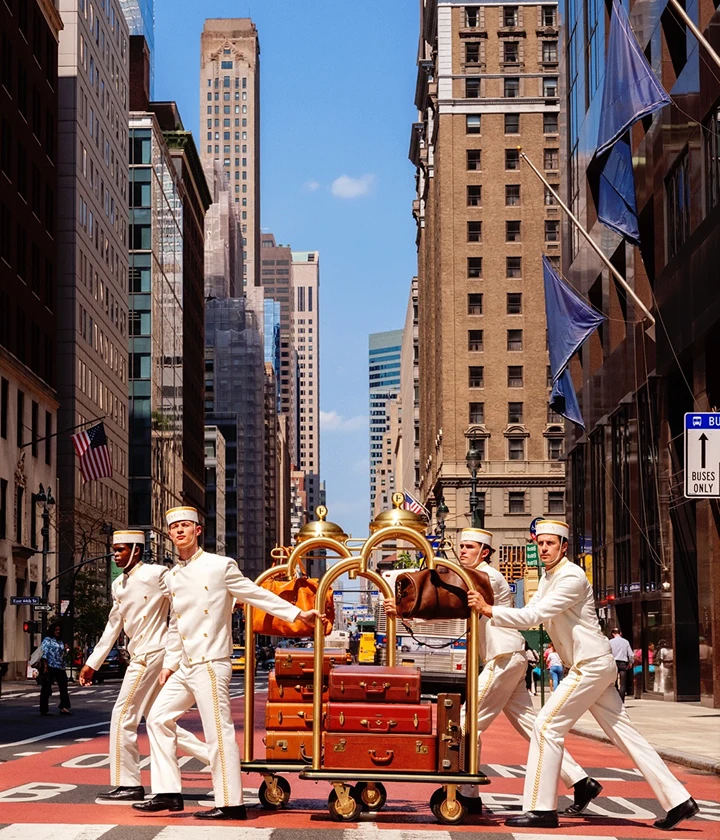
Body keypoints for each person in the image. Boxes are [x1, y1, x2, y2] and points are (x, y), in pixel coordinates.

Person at [468, 519, 698, 831]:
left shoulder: (571, 577)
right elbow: (529, 613)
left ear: (564, 547)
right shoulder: (549, 577)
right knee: (626, 736)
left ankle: (540, 809)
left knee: (546, 725)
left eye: (551, 544)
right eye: (540, 543)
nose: (544, 548)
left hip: (588, 664)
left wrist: (488, 609)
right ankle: (678, 800)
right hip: (592, 664)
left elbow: (533, 616)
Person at [385, 528, 601, 817]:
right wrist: (403, 611)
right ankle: (581, 781)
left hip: (505, 657)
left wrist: (404, 609)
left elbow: (445, 602)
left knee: (463, 723)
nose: (462, 552)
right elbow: (449, 606)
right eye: (461, 546)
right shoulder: (471, 576)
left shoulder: (486, 577)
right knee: (530, 725)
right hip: (509, 657)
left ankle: (468, 794)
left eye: (469, 547)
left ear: (484, 552)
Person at [134, 506, 322, 820]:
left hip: (211, 662)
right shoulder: (173, 576)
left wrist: (297, 613)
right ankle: (168, 793)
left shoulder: (220, 566)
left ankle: (231, 803)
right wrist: (169, 664)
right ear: (169, 535)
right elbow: (175, 625)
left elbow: (254, 594)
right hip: (185, 665)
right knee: (157, 718)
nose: (180, 531)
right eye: (174, 528)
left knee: (218, 733)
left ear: (197, 531)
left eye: (185, 526)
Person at [78, 530, 209, 802]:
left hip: (153, 654)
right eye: (114, 549)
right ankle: (218, 759)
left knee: (122, 715)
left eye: (121, 549)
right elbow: (113, 625)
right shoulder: (119, 586)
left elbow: (181, 596)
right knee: (158, 719)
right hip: (139, 654)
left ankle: (128, 784)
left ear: (136, 550)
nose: (115, 554)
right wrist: (93, 663)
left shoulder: (156, 574)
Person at [39, 622, 72, 715]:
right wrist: (45, 666)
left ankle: (64, 707)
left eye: (59, 630)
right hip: (50, 666)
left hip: (60, 666)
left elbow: (62, 654)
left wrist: (66, 650)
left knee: (63, 686)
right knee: (46, 688)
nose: (58, 632)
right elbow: (44, 652)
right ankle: (44, 709)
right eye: (56, 630)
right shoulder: (47, 640)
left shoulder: (60, 641)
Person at [609, 627, 633, 702]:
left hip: (614, 663)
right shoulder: (625, 642)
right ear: (620, 633)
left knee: (614, 682)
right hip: (623, 663)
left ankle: (615, 700)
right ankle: (621, 701)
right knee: (623, 683)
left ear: (613, 634)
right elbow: (631, 654)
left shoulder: (610, 642)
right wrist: (630, 662)